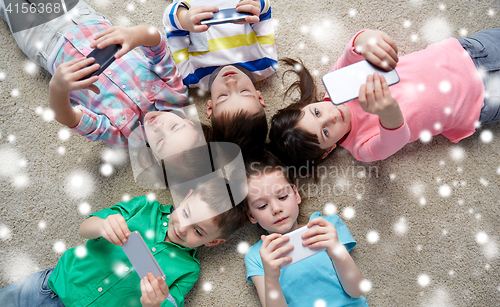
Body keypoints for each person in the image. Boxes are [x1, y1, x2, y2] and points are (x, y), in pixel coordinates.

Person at [0, 176, 246, 307]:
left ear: (213, 242)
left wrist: (151, 306)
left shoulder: (188, 272)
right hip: (46, 291)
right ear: (187, 197)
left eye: (198, 231)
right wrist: (102, 226)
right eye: (186, 213)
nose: (182, 228)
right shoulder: (143, 207)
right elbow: (85, 227)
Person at [268, 28, 500, 170]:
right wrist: (387, 112)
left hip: (467, 52)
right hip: (480, 102)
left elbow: (353, 50)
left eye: (316, 113)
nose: (330, 115)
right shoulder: (361, 148)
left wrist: (365, 40)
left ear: (308, 105)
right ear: (328, 150)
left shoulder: (336, 80)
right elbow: (395, 139)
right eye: (326, 132)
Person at [0, 0, 207, 159]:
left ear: (153, 154)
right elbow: (157, 45)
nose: (159, 126)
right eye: (174, 127)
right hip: (82, 19)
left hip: (45, 47)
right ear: (190, 122)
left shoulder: (121, 136)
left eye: (160, 142)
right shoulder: (176, 92)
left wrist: (58, 88)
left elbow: (69, 118)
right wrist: (135, 35)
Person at [243, 152, 378, 307]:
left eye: (282, 197)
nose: (276, 209)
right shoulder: (257, 256)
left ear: (296, 195)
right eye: (262, 206)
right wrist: (271, 279)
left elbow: (357, 290)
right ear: (252, 216)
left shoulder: (326, 227)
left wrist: (337, 250)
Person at [163, 0, 277, 153]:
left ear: (209, 107)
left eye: (223, 96)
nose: (231, 82)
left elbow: (171, 25)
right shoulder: (267, 64)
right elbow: (265, 14)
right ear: (260, 97)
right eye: (244, 91)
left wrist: (184, 19)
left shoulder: (190, 76)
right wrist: (258, 6)